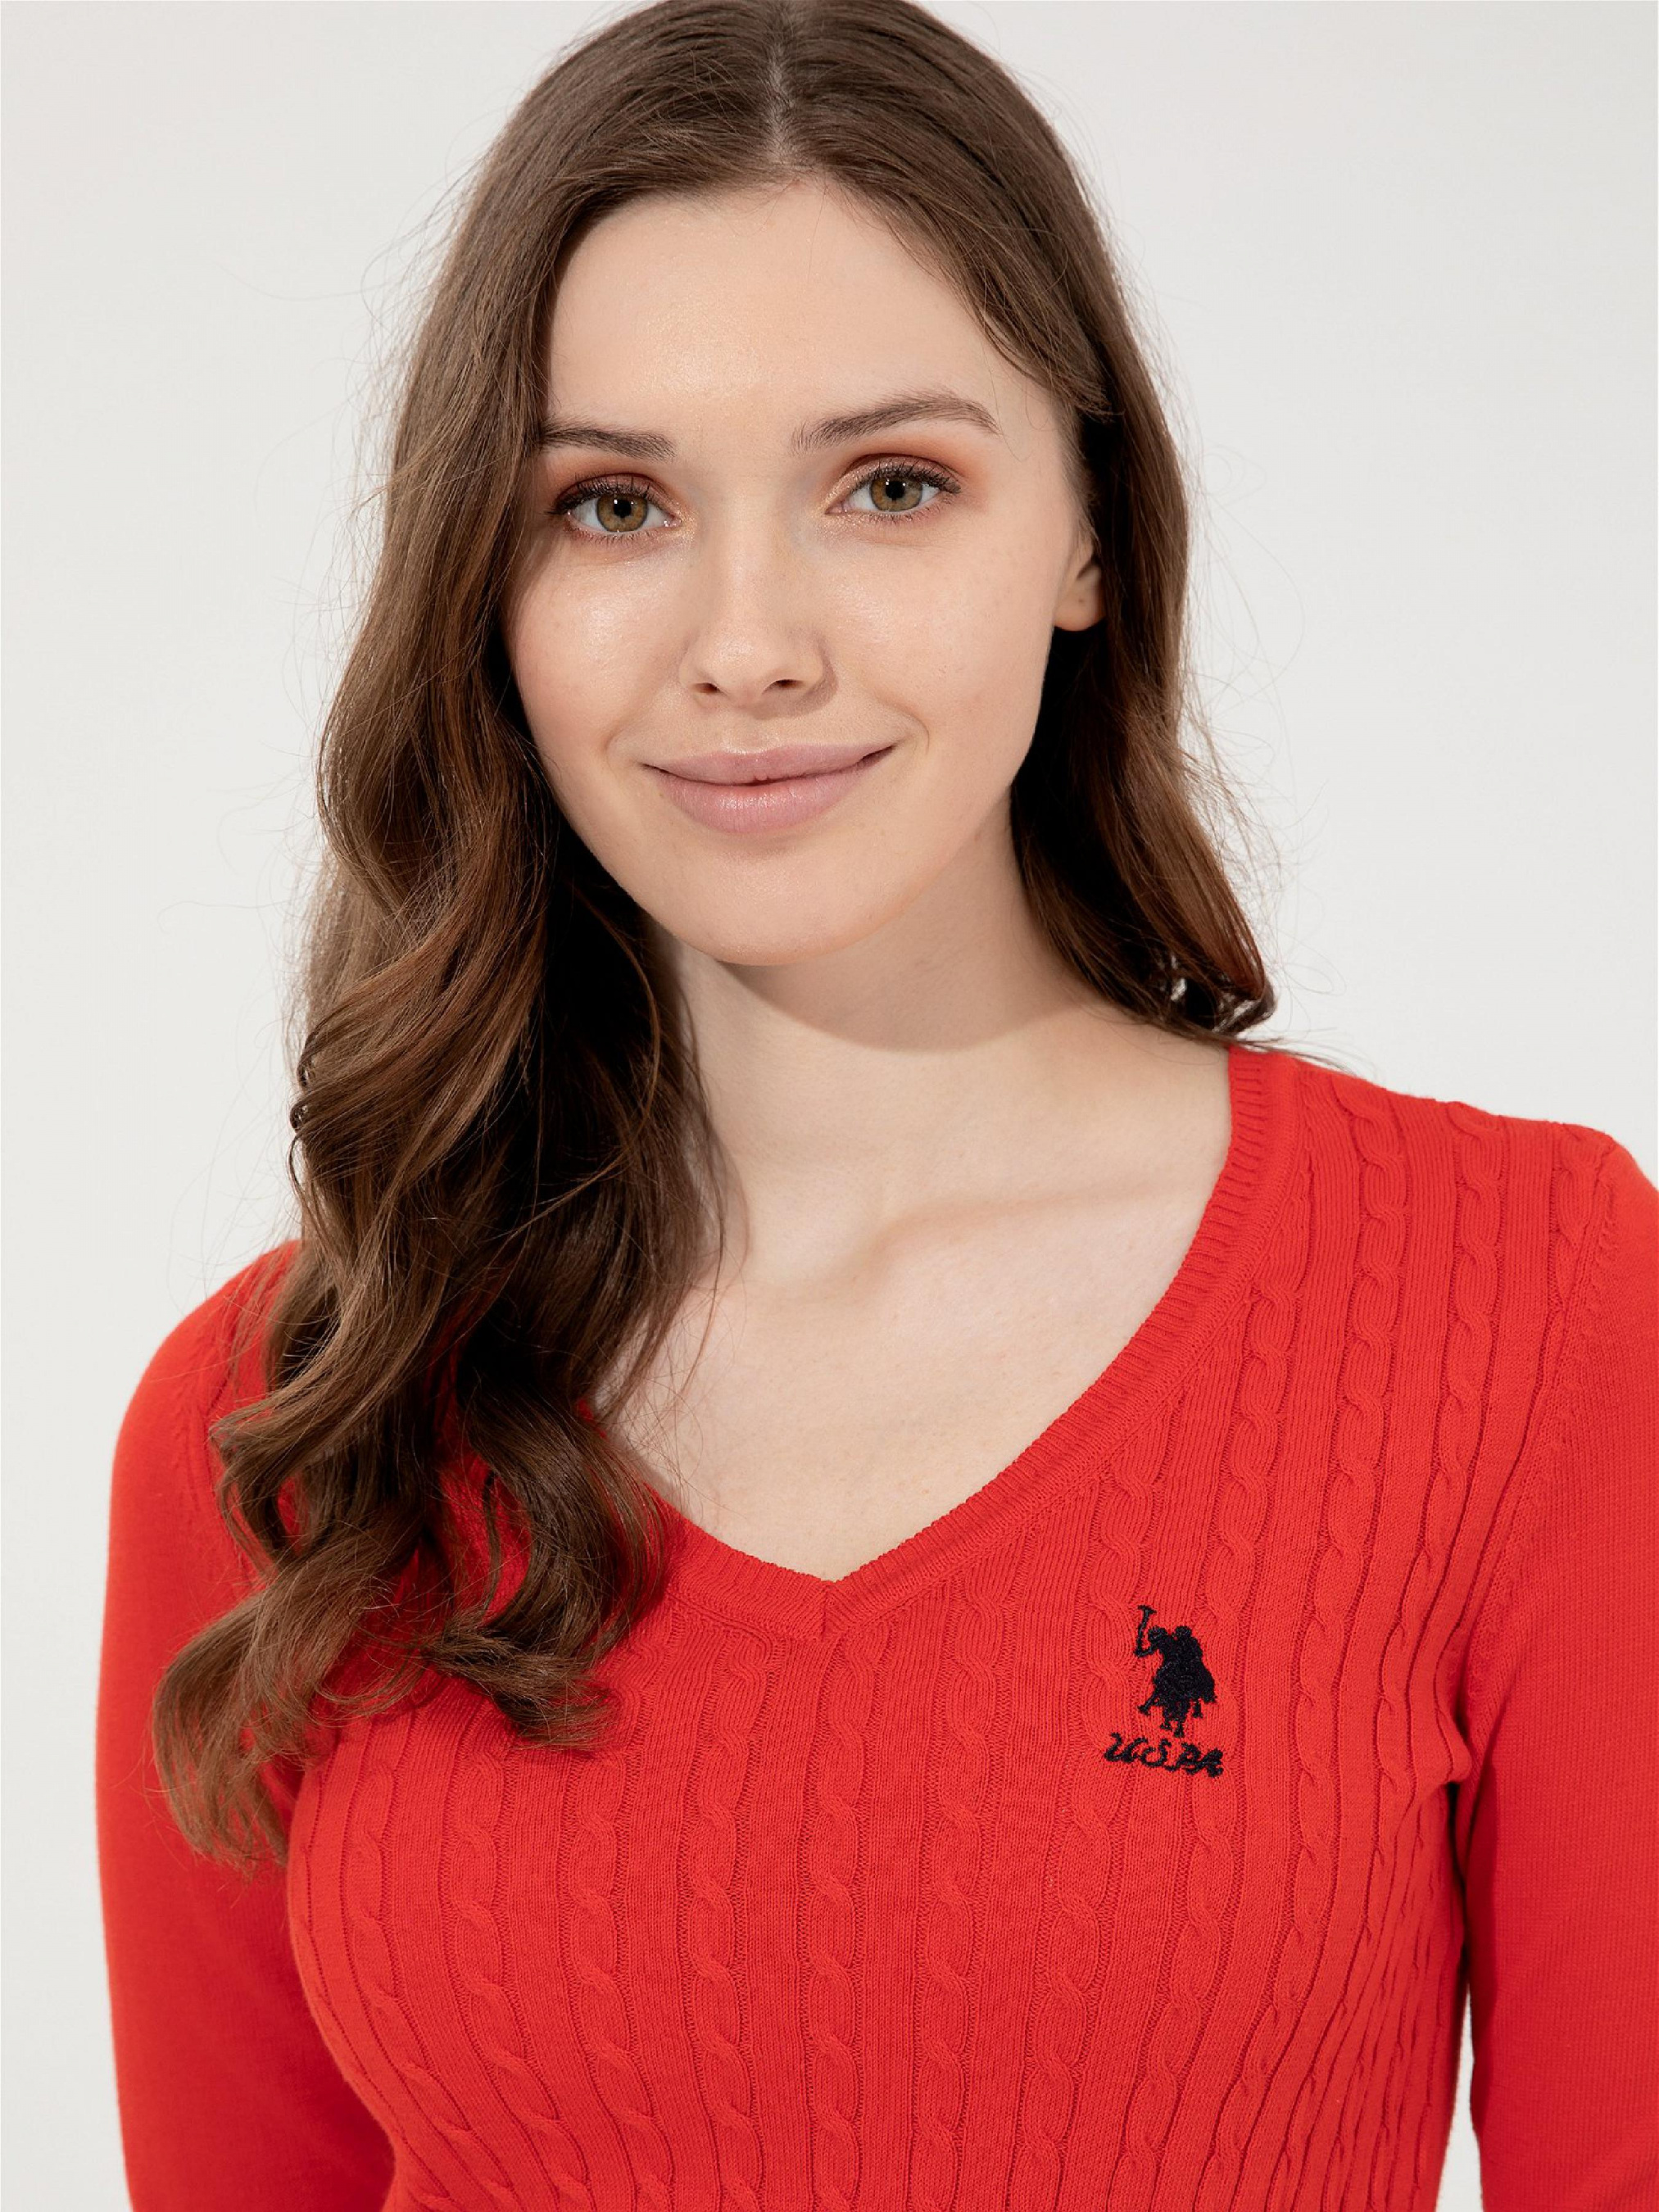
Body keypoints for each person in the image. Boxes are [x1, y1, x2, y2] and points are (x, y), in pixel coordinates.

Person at [94, 2, 1657, 2206]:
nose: (749, 643)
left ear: (1088, 532)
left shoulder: (1528, 1303)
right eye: (615, 504)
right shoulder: (281, 1419)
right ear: (488, 587)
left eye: (891, 486)